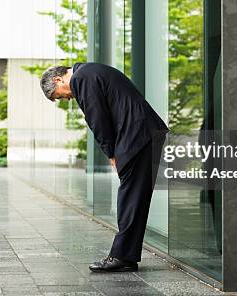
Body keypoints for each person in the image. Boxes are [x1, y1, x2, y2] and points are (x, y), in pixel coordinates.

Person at [40, 63, 169, 272]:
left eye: (60, 95)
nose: (67, 98)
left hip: (137, 136)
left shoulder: (81, 79)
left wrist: (110, 152)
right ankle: (126, 255)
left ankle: (122, 257)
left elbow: (97, 119)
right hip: (143, 133)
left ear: (58, 79)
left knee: (131, 197)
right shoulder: (91, 72)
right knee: (135, 197)